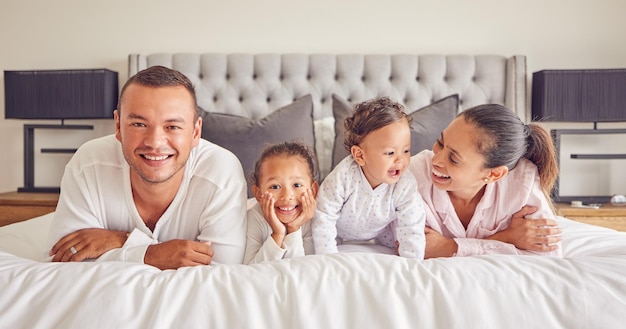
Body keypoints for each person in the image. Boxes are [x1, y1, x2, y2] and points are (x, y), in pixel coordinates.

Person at [47, 66, 248, 269]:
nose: (155, 142)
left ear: (196, 132)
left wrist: (121, 242)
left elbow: (221, 272)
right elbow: (65, 262)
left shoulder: (221, 173)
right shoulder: (88, 164)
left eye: (173, 127)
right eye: (139, 124)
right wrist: (153, 254)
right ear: (118, 126)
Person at [409, 103, 563, 258]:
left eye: (454, 159)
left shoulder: (522, 183)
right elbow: (411, 246)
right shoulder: (412, 177)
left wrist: (451, 247)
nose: (436, 159)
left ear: (494, 174)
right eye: (441, 143)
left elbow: (549, 257)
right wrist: (505, 238)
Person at [313, 97, 425, 259]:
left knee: (399, 242)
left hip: (381, 233)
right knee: (312, 236)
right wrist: (328, 258)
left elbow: (412, 226)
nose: (400, 160)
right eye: (390, 153)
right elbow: (324, 215)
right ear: (359, 155)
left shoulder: (405, 184)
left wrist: (412, 265)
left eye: (406, 151)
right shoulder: (344, 176)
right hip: (338, 230)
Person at [243, 142, 319, 264]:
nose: (287, 196)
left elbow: (302, 268)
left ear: (313, 190)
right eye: (275, 186)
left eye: (297, 185)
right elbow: (251, 270)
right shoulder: (254, 218)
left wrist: (294, 228)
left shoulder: (315, 218)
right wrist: (278, 234)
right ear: (258, 194)